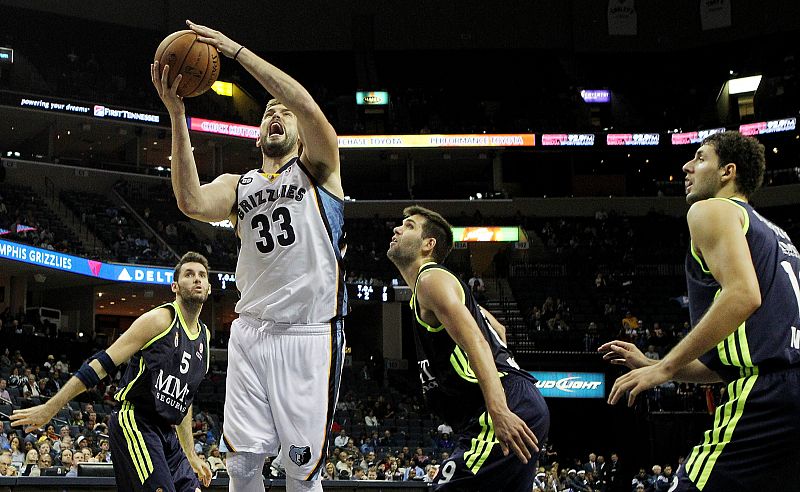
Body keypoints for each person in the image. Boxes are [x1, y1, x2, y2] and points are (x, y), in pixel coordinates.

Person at [152, 19, 346, 492]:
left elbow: (304, 104)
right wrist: (178, 114)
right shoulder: (239, 186)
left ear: (300, 133)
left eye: (283, 113)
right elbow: (191, 201)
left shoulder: (320, 172)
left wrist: (237, 52)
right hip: (250, 331)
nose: (275, 115)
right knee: (240, 465)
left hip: (308, 333)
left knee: (302, 472)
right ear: (257, 135)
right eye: (266, 115)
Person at [601, 131, 800, 491]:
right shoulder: (776, 235)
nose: (687, 166)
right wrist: (658, 365)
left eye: (700, 157)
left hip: (764, 396)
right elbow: (728, 365)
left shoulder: (711, 210)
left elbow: (742, 295)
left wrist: (665, 367)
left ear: (728, 172)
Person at [11, 252, 214, 491]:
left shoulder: (205, 338)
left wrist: (190, 452)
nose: (197, 279)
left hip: (167, 432)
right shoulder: (161, 320)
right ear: (175, 286)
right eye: (189, 274)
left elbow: (184, 399)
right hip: (135, 421)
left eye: (202, 275)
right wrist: (51, 407)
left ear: (209, 288)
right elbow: (101, 364)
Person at [386, 205, 549, 491]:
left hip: (500, 405)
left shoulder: (430, 279)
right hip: (514, 401)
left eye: (409, 226)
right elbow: (498, 330)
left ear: (429, 244)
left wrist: (499, 409)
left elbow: (477, 341)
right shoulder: (437, 289)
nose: (398, 229)